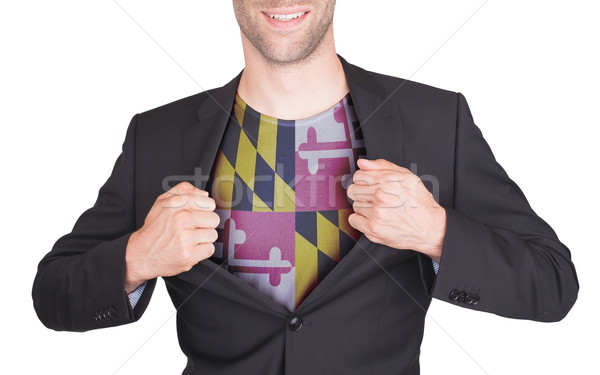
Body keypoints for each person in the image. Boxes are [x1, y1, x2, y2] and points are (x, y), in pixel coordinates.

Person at [32, 1, 579, 374]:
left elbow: (553, 283)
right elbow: (53, 294)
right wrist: (137, 257)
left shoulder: (436, 120)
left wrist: (437, 232)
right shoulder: (158, 136)